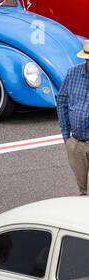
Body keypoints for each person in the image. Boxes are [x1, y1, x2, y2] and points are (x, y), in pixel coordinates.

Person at [56, 41, 89, 196]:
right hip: (76, 142)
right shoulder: (73, 73)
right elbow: (61, 102)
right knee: (82, 190)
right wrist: (66, 135)